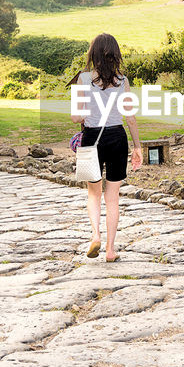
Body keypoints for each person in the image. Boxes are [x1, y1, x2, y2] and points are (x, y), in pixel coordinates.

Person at [70, 33, 142, 262]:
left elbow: (75, 117)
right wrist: (138, 147)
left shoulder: (82, 79)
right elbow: (130, 117)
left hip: (92, 138)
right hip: (117, 137)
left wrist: (88, 112)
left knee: (93, 193)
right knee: (113, 197)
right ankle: (110, 250)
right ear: (115, 54)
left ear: (93, 54)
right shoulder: (123, 81)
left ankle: (95, 235)